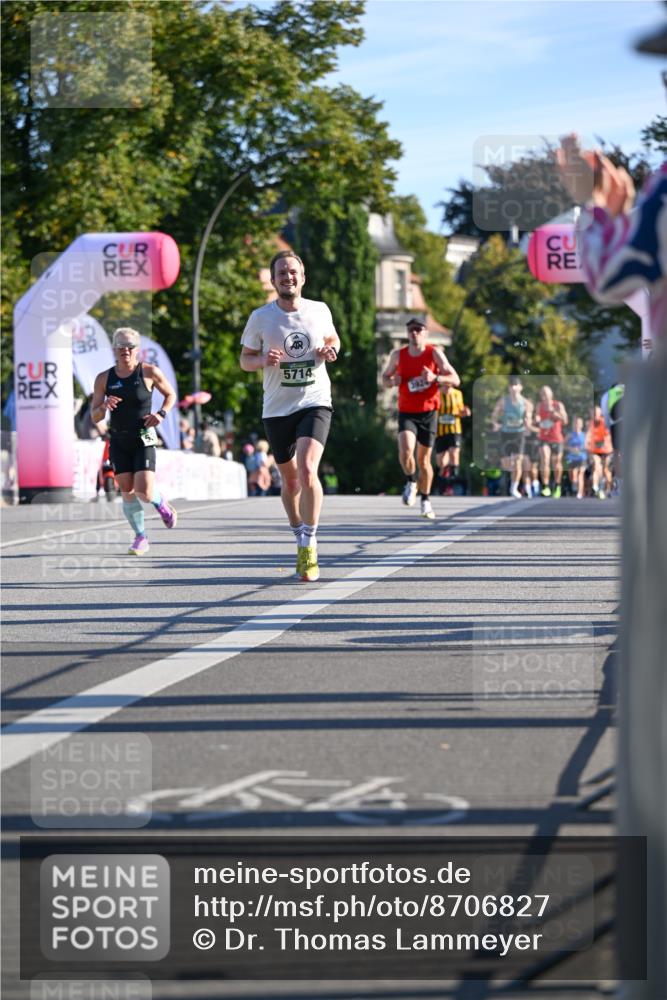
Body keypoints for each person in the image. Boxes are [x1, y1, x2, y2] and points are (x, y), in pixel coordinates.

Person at [240, 250, 339, 582]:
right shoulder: (261, 318)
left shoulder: (319, 310)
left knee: (308, 470)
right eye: (281, 273)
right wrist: (263, 360)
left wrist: (331, 351)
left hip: (315, 400)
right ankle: (297, 529)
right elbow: (245, 360)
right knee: (291, 480)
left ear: (303, 277)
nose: (288, 277)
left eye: (293, 272)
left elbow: (333, 339)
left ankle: (309, 543)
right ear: (273, 280)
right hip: (277, 408)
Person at [90, 327, 178, 555]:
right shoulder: (104, 378)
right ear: (114, 349)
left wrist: (161, 414)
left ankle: (161, 503)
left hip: (143, 437)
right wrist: (103, 406)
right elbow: (94, 416)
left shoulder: (148, 372)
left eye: (129, 347)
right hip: (118, 439)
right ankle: (141, 537)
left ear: (137, 350)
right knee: (127, 490)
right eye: (120, 347)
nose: (125, 351)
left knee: (145, 493)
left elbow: (171, 395)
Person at [381, 318, 460, 519]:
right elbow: (385, 379)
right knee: (405, 449)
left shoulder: (434, 353)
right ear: (408, 334)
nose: (414, 333)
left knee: (424, 460)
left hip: (429, 413)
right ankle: (411, 480)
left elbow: (456, 379)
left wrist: (436, 378)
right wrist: (392, 381)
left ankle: (425, 500)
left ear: (425, 333)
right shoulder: (398, 355)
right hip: (407, 412)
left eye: (418, 330)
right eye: (411, 330)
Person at [490, 375, 534, 498]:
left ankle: (514, 488)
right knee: (507, 463)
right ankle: (511, 471)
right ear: (509, 388)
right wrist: (495, 423)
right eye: (511, 386)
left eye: (516, 386)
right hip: (505, 432)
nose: (513, 388)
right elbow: (494, 414)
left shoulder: (526, 403)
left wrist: (528, 424)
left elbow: (529, 418)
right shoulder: (503, 401)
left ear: (521, 387)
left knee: (518, 461)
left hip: (519, 433)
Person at [434, 383, 470, 495]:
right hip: (440, 431)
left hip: (454, 430)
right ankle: (443, 485)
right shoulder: (436, 393)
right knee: (441, 462)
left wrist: (465, 412)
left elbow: (461, 410)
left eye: (450, 385)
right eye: (445, 385)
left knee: (454, 454)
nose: (448, 388)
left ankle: (451, 485)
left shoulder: (457, 394)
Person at [534, 385, 568, 497]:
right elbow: (536, 419)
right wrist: (537, 420)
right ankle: (545, 486)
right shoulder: (539, 406)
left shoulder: (558, 405)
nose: (544, 396)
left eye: (546, 394)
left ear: (551, 395)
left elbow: (565, 421)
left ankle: (557, 486)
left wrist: (556, 414)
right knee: (545, 458)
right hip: (543, 437)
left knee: (557, 462)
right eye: (542, 394)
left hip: (556, 438)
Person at [584, 405, 613, 499]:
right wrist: (586, 443)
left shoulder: (605, 422)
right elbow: (588, 434)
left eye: (596, 413)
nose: (594, 415)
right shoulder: (590, 423)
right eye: (592, 413)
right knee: (596, 466)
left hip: (606, 450)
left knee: (606, 470)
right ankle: (596, 487)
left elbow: (608, 435)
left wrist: (603, 442)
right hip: (595, 450)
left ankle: (608, 489)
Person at [564, 416, 587, 499]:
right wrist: (571, 449)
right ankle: (574, 485)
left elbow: (588, 445)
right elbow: (564, 445)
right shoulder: (570, 435)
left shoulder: (585, 435)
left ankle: (579, 493)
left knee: (580, 474)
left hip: (582, 457)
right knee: (573, 474)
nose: (577, 425)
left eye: (579, 423)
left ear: (581, 425)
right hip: (571, 458)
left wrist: (581, 449)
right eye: (576, 423)